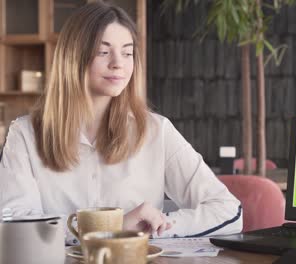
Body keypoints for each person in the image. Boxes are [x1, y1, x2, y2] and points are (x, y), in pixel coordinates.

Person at [0, 2, 242, 242]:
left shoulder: (157, 131)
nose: (118, 63)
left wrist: (156, 227)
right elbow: (14, 224)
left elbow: (228, 210)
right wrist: (114, 228)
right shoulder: (24, 134)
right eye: (103, 52)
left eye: (127, 53)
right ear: (72, 57)